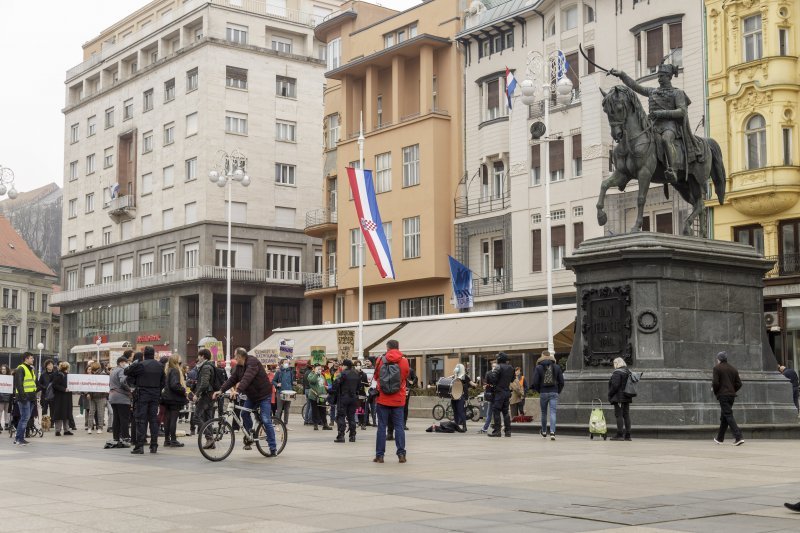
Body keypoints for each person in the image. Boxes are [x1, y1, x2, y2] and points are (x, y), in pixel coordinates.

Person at [609, 62, 704, 185]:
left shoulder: (677, 93)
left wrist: (661, 113)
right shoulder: (652, 92)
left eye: (662, 76)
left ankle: (673, 170)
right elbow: (636, 86)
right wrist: (622, 75)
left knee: (666, 139)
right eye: (658, 76)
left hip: (670, 126)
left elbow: (682, 111)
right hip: (654, 126)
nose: (659, 79)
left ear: (669, 77)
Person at [212, 348, 277, 456]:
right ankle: (250, 434)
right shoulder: (239, 367)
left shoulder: (252, 362)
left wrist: (238, 391)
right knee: (244, 414)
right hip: (252, 396)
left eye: (235, 356)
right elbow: (232, 379)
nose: (234, 358)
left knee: (266, 420)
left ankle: (273, 447)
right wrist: (221, 390)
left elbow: (247, 378)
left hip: (264, 395)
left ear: (240, 356)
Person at [373, 339, 410, 463]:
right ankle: (401, 454)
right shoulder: (404, 361)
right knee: (399, 426)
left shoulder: (380, 360)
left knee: (381, 427)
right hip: (398, 399)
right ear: (398, 348)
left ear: (387, 347)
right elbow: (404, 376)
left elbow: (376, 377)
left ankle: (380, 456)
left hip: (383, 399)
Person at [125, 346, 165, 454]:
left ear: (144, 354)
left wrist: (134, 364)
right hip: (155, 394)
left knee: (141, 420)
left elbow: (127, 372)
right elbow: (163, 382)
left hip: (142, 394)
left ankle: (139, 446)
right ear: (153, 354)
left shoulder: (140, 365)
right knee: (153, 420)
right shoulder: (160, 365)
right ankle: (154, 445)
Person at [712, 351, 744, 446]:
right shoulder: (733, 369)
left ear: (719, 359)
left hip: (723, 395)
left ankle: (738, 437)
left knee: (728, 415)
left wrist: (717, 392)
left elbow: (715, 383)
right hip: (731, 396)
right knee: (725, 416)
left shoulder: (717, 368)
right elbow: (739, 383)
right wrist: (732, 390)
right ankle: (720, 438)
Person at [532, 352, 565, 440]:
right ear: (550, 356)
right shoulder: (557, 367)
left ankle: (543, 431)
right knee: (553, 412)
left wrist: (539, 390)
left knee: (544, 412)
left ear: (542, 356)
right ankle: (552, 432)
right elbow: (561, 381)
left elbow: (535, 382)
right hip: (554, 392)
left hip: (543, 392)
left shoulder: (538, 367)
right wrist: (558, 391)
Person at [193, 349, 216, 450]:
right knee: (208, 419)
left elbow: (204, 383)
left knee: (196, 417)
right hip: (210, 396)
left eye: (199, 356)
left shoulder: (206, 367)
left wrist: (196, 394)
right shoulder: (210, 365)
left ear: (202, 356)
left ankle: (209, 437)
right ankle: (211, 442)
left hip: (205, 396)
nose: (198, 358)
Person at [486, 352, 514, 438]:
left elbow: (493, 379)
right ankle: (508, 431)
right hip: (507, 391)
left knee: (496, 410)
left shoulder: (498, 367)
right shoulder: (511, 368)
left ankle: (497, 431)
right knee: (505, 412)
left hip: (499, 392)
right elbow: (512, 379)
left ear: (499, 359)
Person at [333, 359, 361, 443]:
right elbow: (359, 386)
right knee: (351, 417)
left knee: (341, 416)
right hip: (353, 398)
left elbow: (336, 384)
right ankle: (352, 436)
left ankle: (341, 436)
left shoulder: (343, 374)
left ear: (345, 365)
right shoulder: (357, 374)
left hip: (344, 397)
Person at [13, 352, 37, 445]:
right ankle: (19, 439)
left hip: (30, 397)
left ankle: (18, 438)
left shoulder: (31, 369)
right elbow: (19, 384)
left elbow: (33, 383)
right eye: (31, 358)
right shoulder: (21, 368)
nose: (33, 360)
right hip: (24, 398)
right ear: (26, 359)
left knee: (25, 418)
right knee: (24, 418)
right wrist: (23, 397)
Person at [108, 356, 132, 447]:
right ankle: (125, 437)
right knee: (124, 418)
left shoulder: (113, 371)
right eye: (126, 363)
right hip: (122, 398)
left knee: (116, 418)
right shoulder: (122, 370)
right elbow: (123, 381)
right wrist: (129, 389)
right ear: (121, 363)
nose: (127, 364)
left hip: (113, 397)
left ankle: (116, 437)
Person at [608, 357, 633, 441]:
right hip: (627, 396)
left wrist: (610, 394)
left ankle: (619, 434)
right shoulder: (627, 372)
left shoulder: (617, 373)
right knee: (626, 415)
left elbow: (615, 386)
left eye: (614, 363)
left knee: (619, 415)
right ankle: (628, 435)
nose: (613, 365)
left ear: (617, 363)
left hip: (619, 397)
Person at [84, 362, 108, 434]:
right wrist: (88, 393)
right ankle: (90, 427)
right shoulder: (93, 375)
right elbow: (89, 385)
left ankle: (99, 427)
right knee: (91, 412)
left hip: (101, 396)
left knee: (100, 413)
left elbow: (105, 385)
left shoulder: (103, 374)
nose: (91, 369)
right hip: (93, 396)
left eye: (92, 368)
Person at [51, 362, 73, 436]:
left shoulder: (67, 375)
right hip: (60, 397)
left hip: (66, 396)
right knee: (60, 413)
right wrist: (64, 389)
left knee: (66, 413)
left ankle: (66, 430)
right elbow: (55, 385)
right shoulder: (60, 375)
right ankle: (58, 430)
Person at [307, 364, 331, 430]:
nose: (320, 370)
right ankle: (315, 424)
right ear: (314, 369)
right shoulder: (311, 375)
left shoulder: (322, 376)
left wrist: (325, 391)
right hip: (314, 396)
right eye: (318, 369)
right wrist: (316, 374)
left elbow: (322, 385)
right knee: (315, 410)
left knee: (323, 410)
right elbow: (312, 381)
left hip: (321, 396)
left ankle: (325, 424)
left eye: (320, 369)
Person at [451, 364, 472, 433]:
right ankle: (458, 426)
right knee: (458, 411)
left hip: (458, 396)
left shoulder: (463, 376)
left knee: (459, 411)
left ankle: (462, 426)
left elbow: (471, 383)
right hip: (456, 396)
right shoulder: (455, 376)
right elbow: (472, 384)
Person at [273, 359, 294, 426]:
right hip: (280, 392)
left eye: (288, 362)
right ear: (282, 364)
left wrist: (293, 383)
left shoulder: (290, 372)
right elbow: (273, 381)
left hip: (289, 392)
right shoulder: (279, 372)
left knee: (287, 409)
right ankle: (276, 423)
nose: (287, 363)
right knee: (279, 409)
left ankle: (285, 424)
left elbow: (292, 381)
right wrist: (277, 384)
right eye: (285, 362)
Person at [478, 362, 497, 434]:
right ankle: (487, 428)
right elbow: (486, 384)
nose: (494, 368)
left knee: (491, 413)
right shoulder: (489, 373)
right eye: (493, 366)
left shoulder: (492, 373)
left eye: (495, 366)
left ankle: (486, 428)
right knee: (492, 413)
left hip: (494, 396)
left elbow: (487, 384)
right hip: (493, 396)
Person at [0, 364, 11, 430]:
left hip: (8, 396)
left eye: (4, 369)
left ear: (7, 370)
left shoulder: (10, 377)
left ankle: (6, 424)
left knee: (7, 411)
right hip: (0, 396)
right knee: (0, 411)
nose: (3, 370)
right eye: (2, 369)